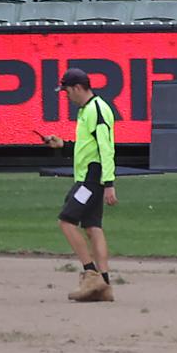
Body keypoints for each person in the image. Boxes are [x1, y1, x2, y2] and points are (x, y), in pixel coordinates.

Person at [42, 68, 118, 302]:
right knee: (92, 226)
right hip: (92, 176)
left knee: (66, 221)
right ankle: (103, 284)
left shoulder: (96, 109)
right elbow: (88, 146)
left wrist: (109, 183)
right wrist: (63, 145)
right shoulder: (89, 110)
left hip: (91, 178)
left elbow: (106, 148)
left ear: (77, 88)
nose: (66, 96)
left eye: (67, 91)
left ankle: (91, 273)